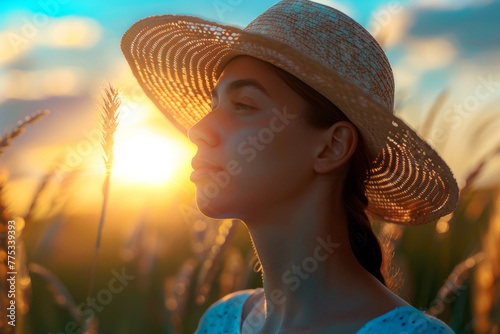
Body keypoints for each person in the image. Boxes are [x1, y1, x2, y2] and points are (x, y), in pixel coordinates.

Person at [121, 0, 460, 333]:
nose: (198, 130)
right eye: (214, 105)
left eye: (243, 105)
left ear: (331, 147)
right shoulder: (221, 321)